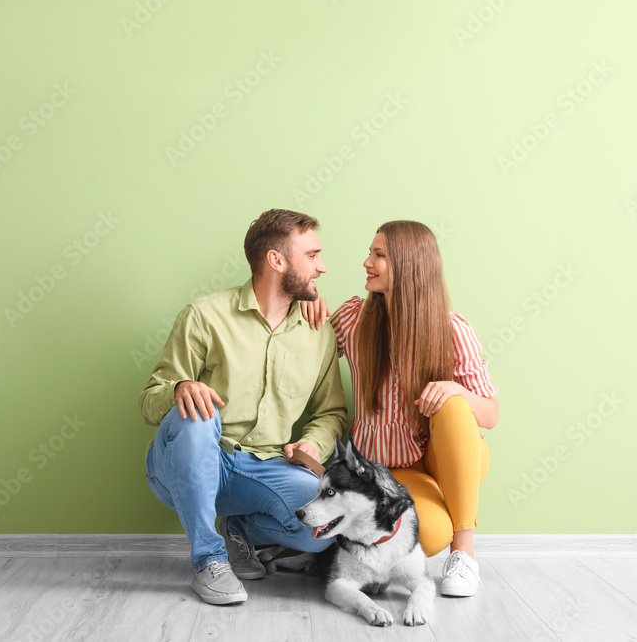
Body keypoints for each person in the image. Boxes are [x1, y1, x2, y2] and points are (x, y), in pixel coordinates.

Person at [139, 209, 348, 606]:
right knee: (201, 414)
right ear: (276, 260)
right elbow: (151, 402)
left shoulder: (319, 331)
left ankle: (239, 531)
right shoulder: (205, 316)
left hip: (264, 468)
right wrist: (182, 388)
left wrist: (311, 446)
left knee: (327, 526)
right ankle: (209, 560)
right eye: (312, 255)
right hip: (188, 462)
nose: (323, 266)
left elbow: (331, 413)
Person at [301, 220, 499, 597]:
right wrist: (308, 306)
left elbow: (490, 414)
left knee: (455, 403)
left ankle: (465, 553)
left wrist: (453, 388)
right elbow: (305, 357)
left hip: (430, 460)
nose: (366, 262)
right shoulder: (352, 319)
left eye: (379, 255)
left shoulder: (452, 330)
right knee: (428, 533)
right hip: (379, 472)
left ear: (409, 265)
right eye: (370, 252)